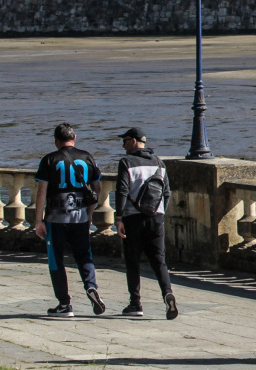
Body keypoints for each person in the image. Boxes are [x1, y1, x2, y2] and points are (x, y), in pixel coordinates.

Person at [33, 123, 106, 317]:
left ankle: (64, 304)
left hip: (55, 217)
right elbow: (97, 189)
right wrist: (89, 213)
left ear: (56, 141)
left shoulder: (49, 159)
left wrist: (38, 221)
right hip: (80, 216)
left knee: (56, 260)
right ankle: (91, 286)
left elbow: (41, 192)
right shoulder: (87, 157)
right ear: (74, 138)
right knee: (84, 255)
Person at [114, 127, 178, 320]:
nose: (123, 145)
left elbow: (122, 191)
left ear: (134, 141)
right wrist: (159, 212)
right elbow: (167, 193)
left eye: (125, 141)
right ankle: (167, 293)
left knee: (132, 261)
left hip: (132, 218)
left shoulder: (126, 162)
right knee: (159, 260)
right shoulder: (159, 162)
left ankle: (135, 303)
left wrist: (119, 218)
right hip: (156, 218)